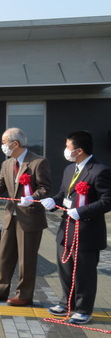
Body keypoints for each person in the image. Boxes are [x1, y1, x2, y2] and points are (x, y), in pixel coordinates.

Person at [40, 131, 111, 324]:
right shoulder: (70, 169)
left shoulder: (99, 170)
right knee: (65, 269)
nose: (65, 150)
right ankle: (66, 303)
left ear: (79, 150)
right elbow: (64, 193)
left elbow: (107, 201)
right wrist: (52, 202)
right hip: (66, 229)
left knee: (84, 273)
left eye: (67, 146)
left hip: (86, 232)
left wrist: (83, 211)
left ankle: (83, 309)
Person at [0, 127, 50, 307]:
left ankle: (24, 295)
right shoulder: (7, 164)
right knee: (4, 256)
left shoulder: (38, 162)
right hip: (11, 216)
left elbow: (45, 188)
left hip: (30, 217)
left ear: (15, 144)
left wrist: (33, 198)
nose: (2, 146)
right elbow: (0, 184)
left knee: (26, 259)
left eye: (4, 142)